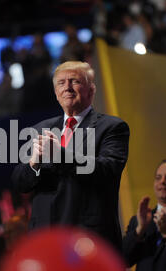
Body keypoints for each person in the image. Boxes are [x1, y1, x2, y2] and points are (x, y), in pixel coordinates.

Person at [11, 61, 130, 252]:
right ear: (56, 93)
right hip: (46, 239)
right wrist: (34, 163)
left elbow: (107, 170)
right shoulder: (40, 129)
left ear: (91, 89)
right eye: (61, 83)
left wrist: (60, 155)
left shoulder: (112, 127)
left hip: (89, 241)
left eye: (74, 81)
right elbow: (20, 183)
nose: (67, 87)